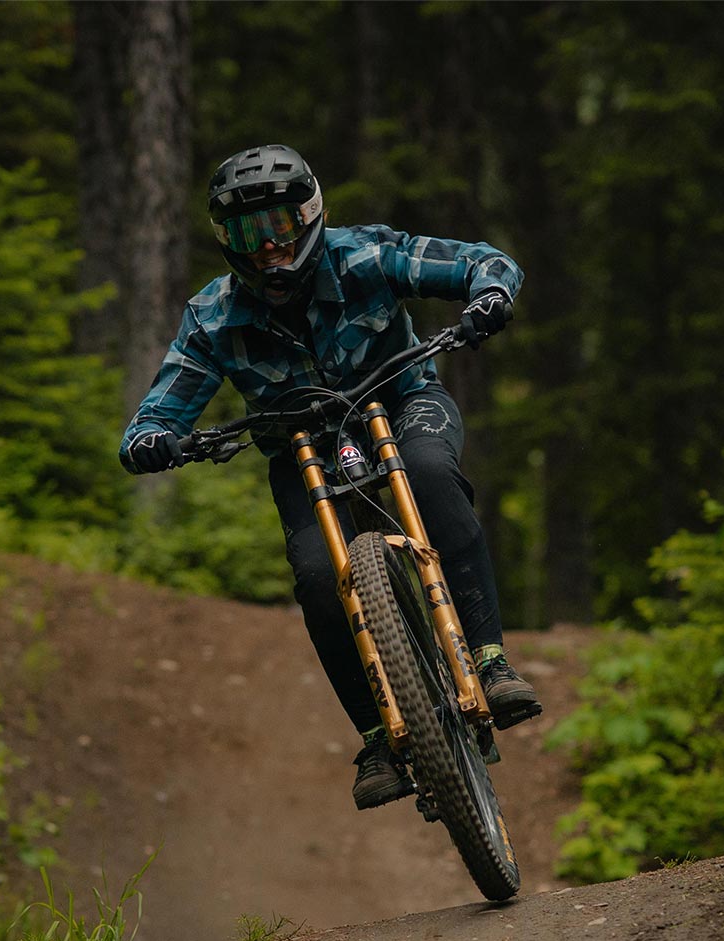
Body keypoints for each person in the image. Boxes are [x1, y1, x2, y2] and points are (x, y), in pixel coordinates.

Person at [119, 143, 541, 811]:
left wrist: (490, 293)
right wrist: (149, 440)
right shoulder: (212, 315)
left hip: (402, 401)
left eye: (279, 228)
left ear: (311, 216)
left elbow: (484, 262)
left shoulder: (367, 256)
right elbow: (161, 408)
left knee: (431, 473)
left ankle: (489, 660)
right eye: (246, 236)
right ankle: (378, 736)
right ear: (224, 241)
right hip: (299, 447)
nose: (266, 250)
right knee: (319, 577)